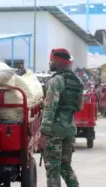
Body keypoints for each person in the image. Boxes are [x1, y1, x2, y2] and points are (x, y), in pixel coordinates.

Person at [41, 48, 83, 187]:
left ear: (58, 62)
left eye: (51, 60)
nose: (50, 62)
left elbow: (50, 107)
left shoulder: (56, 81)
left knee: (53, 169)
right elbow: (79, 107)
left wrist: (44, 131)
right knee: (65, 167)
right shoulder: (77, 82)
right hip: (70, 130)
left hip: (55, 131)